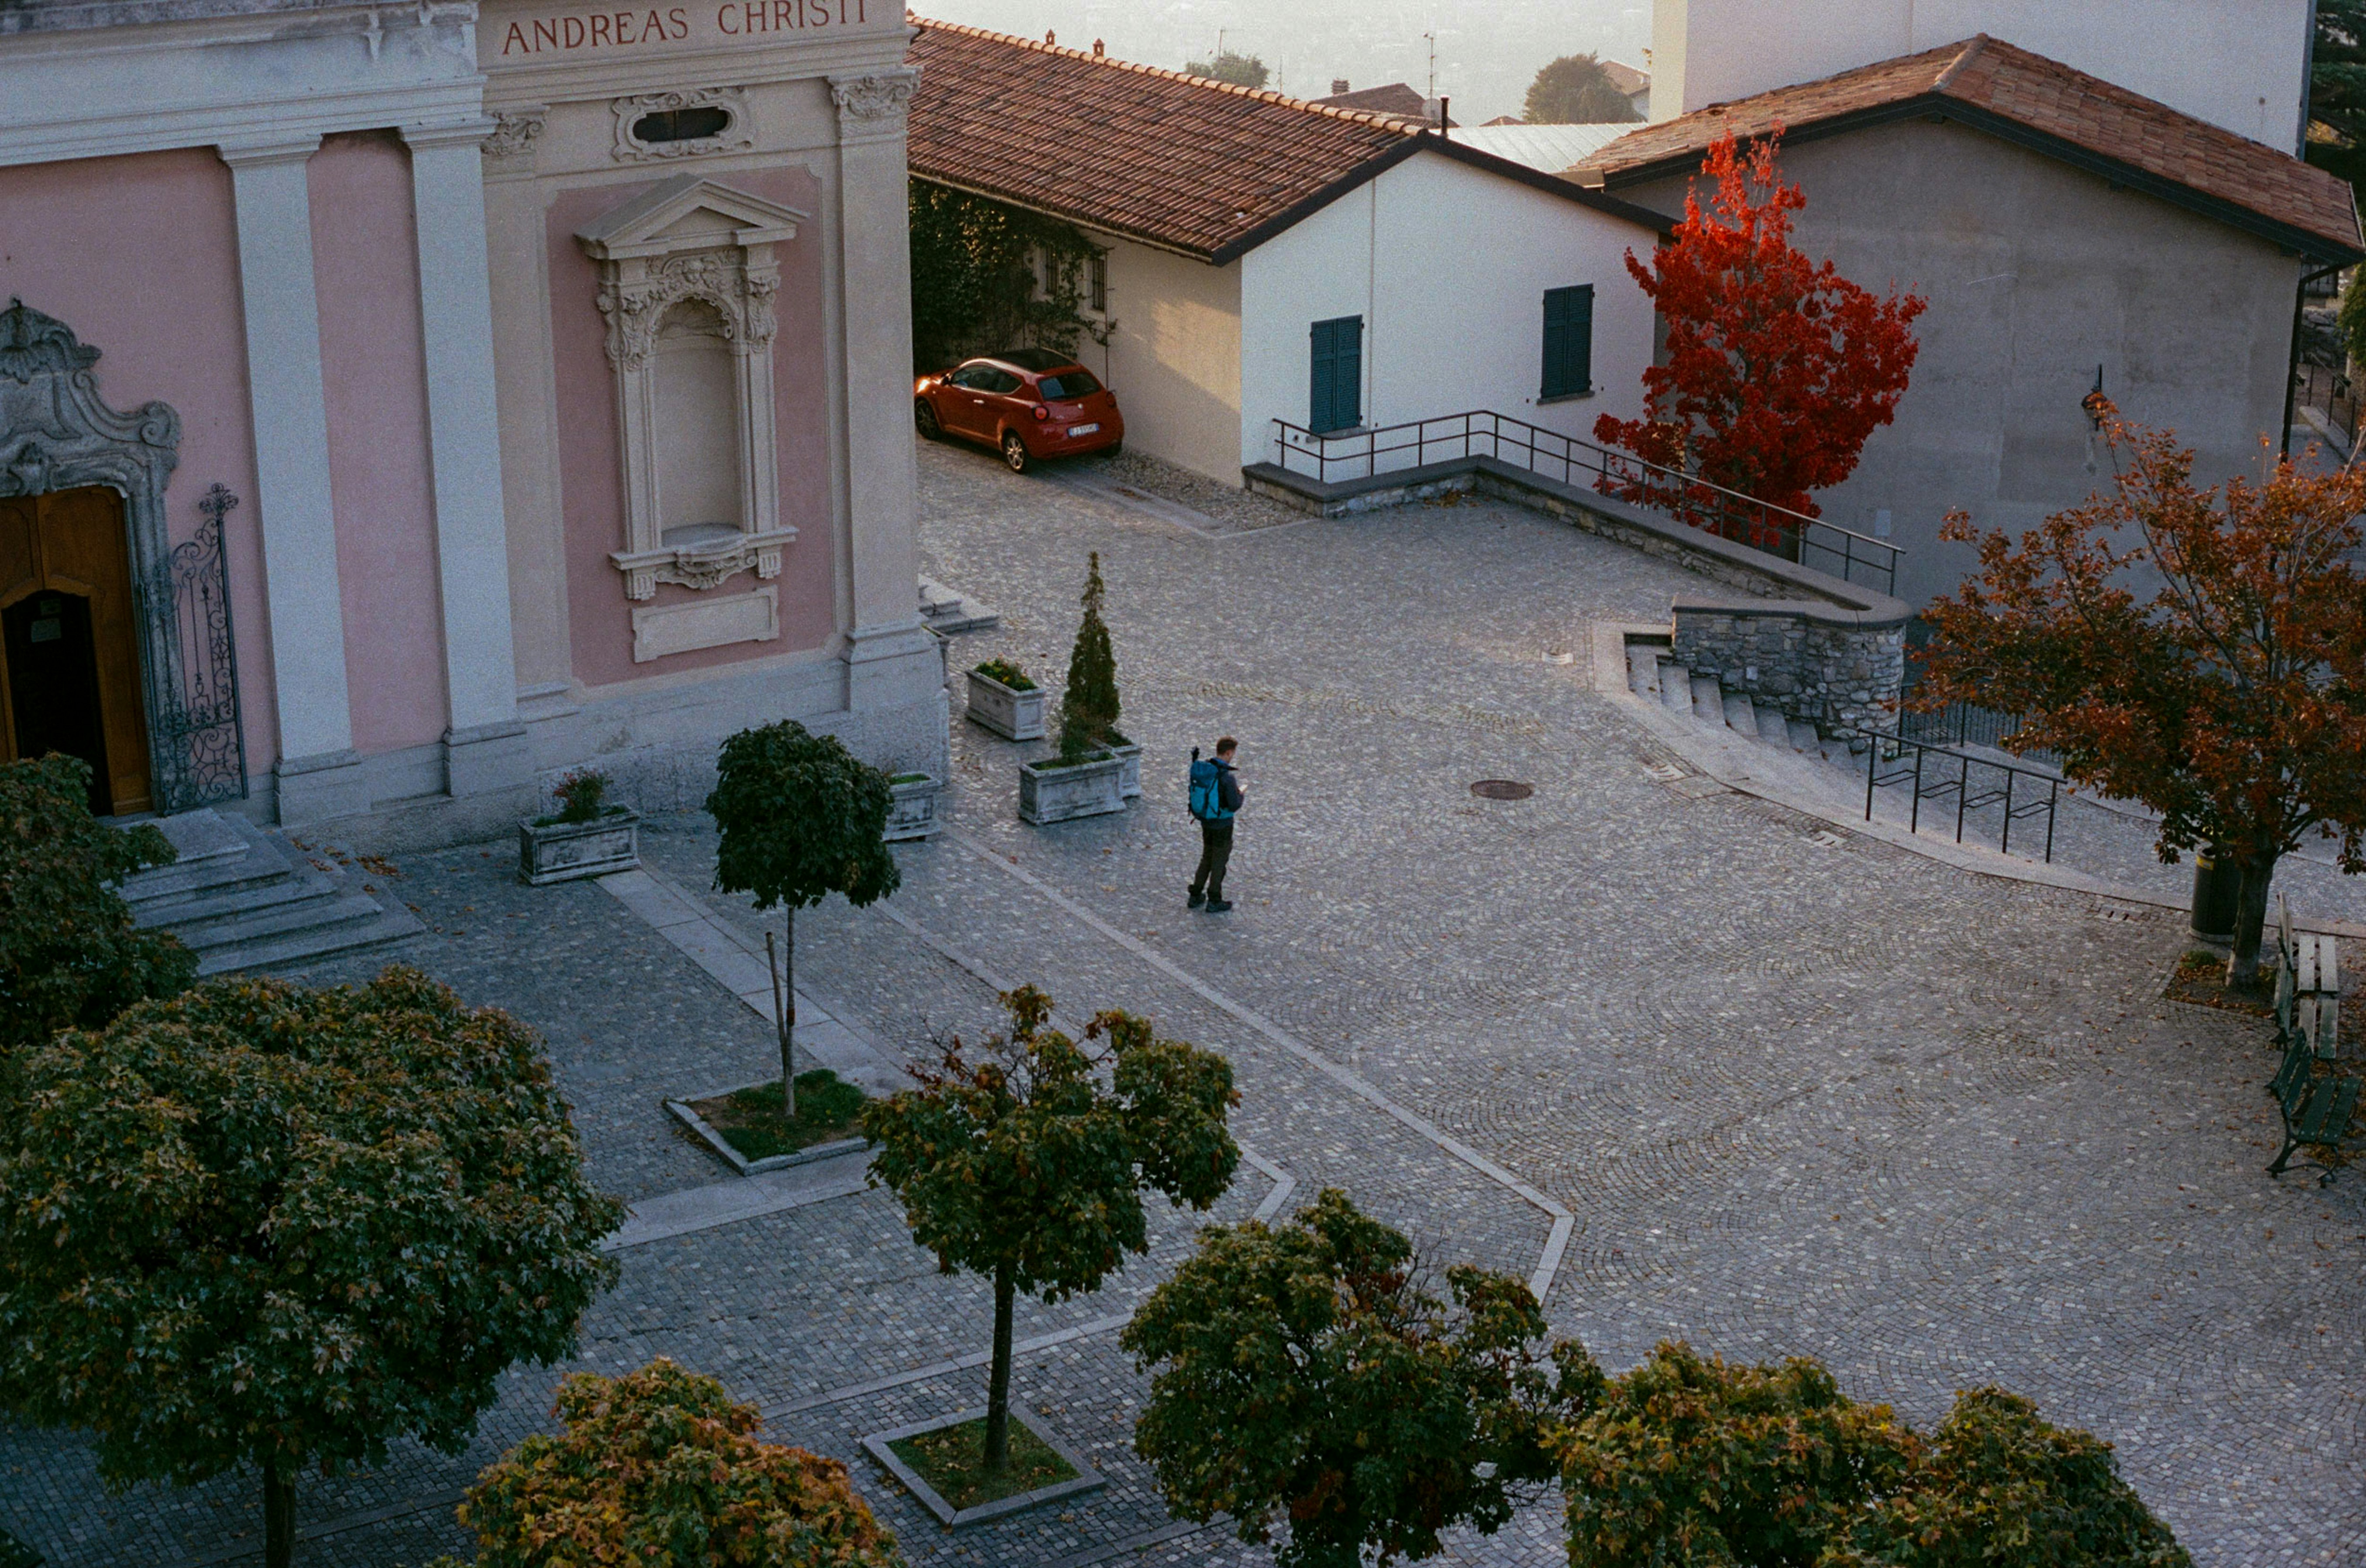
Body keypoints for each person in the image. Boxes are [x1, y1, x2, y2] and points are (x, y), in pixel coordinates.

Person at [1187, 737, 1244, 913]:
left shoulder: (1207, 770)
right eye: (1233, 753)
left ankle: (1196, 894)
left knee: (1207, 856)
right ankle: (1214, 899)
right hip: (1223, 825)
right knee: (1219, 860)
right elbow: (1233, 804)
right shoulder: (1226, 777)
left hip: (1206, 820)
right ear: (1228, 753)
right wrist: (1241, 794)